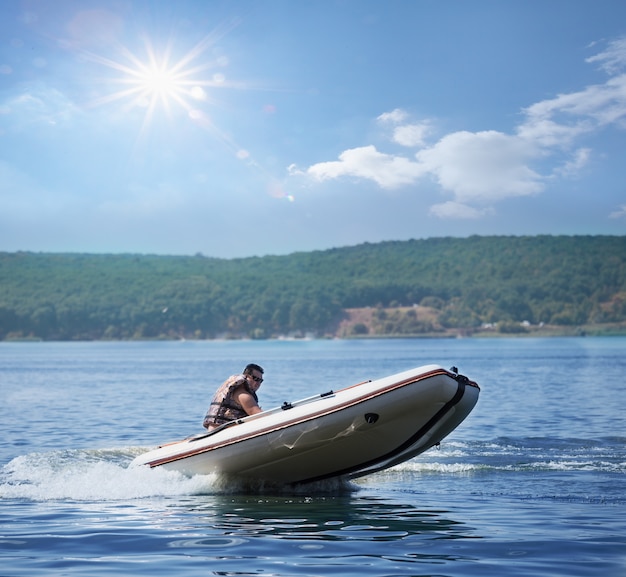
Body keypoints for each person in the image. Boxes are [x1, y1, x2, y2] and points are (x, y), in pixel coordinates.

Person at [203, 363, 264, 430]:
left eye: (260, 381)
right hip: (223, 434)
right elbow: (259, 416)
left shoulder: (233, 390)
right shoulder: (243, 395)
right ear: (246, 376)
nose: (258, 383)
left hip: (214, 431)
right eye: (255, 379)